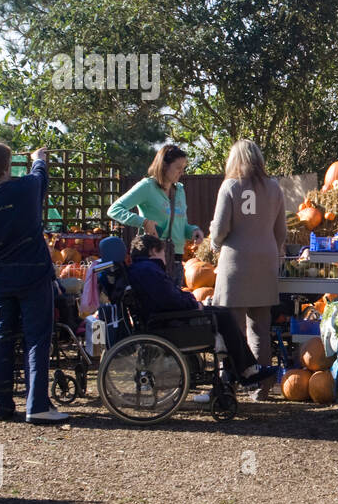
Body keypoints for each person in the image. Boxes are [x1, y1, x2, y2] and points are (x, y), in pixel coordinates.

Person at [0, 143, 68, 423]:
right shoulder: (25, 189)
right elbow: (40, 175)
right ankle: (36, 404)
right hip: (33, 275)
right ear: (6, 166)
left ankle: (0, 407)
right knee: (36, 339)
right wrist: (38, 158)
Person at [124, 234, 277, 389]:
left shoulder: (142, 269)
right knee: (223, 315)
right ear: (153, 251)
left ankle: (241, 370)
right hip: (169, 323)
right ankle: (245, 370)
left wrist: (190, 301)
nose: (165, 257)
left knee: (222, 313)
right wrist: (193, 304)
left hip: (163, 319)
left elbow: (167, 296)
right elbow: (169, 299)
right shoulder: (149, 271)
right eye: (163, 253)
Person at [209, 140, 287, 399]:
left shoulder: (230, 186)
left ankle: (228, 384)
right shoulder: (274, 188)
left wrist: (213, 241)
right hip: (265, 263)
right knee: (260, 330)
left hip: (236, 264)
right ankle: (261, 389)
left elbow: (220, 229)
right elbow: (281, 232)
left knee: (231, 327)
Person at [107, 143, 204, 287]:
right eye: (178, 168)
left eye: (183, 168)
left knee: (175, 308)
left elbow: (182, 226)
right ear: (164, 165)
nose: (181, 172)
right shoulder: (147, 186)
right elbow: (114, 209)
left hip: (175, 260)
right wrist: (143, 222)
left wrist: (194, 231)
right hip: (151, 259)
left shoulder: (179, 191)